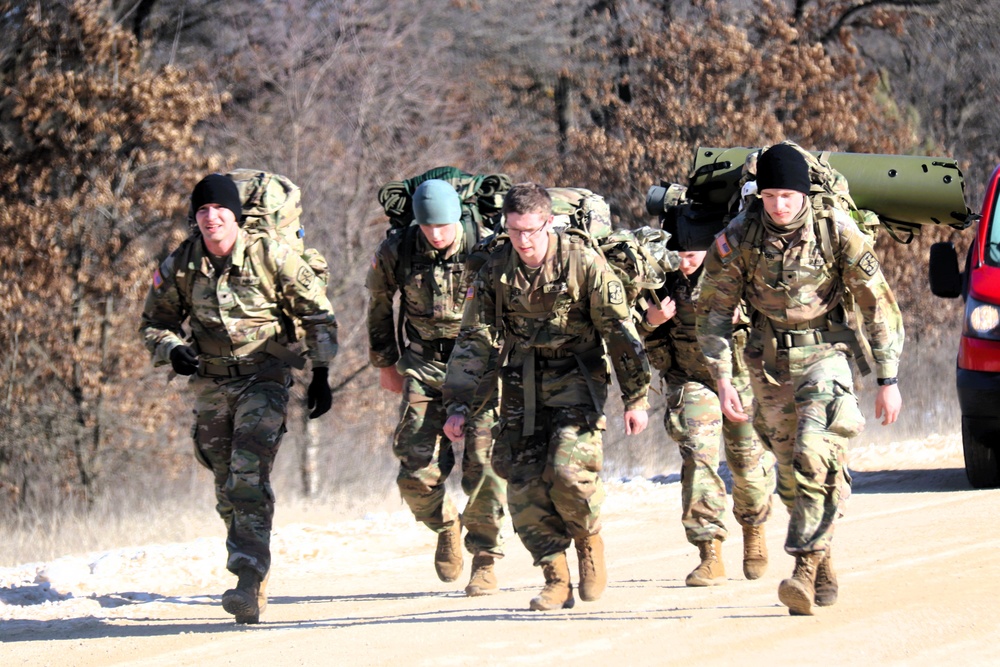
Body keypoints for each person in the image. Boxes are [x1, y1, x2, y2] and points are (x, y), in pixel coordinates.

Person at [696, 143, 904, 615]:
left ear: (804, 194)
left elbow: (877, 303)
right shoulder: (740, 237)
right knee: (792, 475)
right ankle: (823, 560)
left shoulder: (836, 231)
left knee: (815, 453)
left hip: (826, 353)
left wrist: (888, 379)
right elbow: (712, 313)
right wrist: (723, 379)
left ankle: (803, 570)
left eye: (787, 196)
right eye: (769, 195)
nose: (778, 205)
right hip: (766, 363)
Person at [140, 174, 338, 624]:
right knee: (226, 482)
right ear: (196, 218)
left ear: (236, 215)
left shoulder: (271, 255)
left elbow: (317, 313)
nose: (211, 217)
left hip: (265, 376)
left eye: (219, 209)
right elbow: (154, 322)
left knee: (248, 472)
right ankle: (256, 569)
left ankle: (247, 578)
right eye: (203, 210)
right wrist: (172, 349)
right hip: (211, 383)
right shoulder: (182, 265)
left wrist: (321, 372)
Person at [442, 183, 651, 611]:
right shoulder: (495, 269)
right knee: (521, 482)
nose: (524, 241)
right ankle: (555, 576)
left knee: (568, 473)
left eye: (532, 231)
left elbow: (619, 331)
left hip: (577, 375)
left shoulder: (582, 263)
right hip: (521, 380)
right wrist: (459, 402)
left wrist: (636, 397)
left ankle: (589, 540)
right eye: (515, 230)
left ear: (548, 223)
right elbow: (474, 338)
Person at [366, 179, 507, 596]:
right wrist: (385, 363)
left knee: (483, 462)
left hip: (481, 362)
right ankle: (446, 524)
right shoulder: (399, 249)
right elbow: (378, 304)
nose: (438, 235)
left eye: (444, 226)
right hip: (425, 363)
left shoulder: (486, 245)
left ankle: (485, 559)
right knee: (414, 468)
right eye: (429, 227)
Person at [639, 250, 775, 587]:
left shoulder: (736, 270)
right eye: (679, 254)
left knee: (747, 462)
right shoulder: (661, 279)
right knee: (698, 458)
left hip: (742, 378)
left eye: (691, 255)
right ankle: (709, 552)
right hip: (692, 378)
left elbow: (776, 313)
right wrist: (650, 321)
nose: (685, 262)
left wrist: (741, 316)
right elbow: (630, 329)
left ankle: (753, 528)